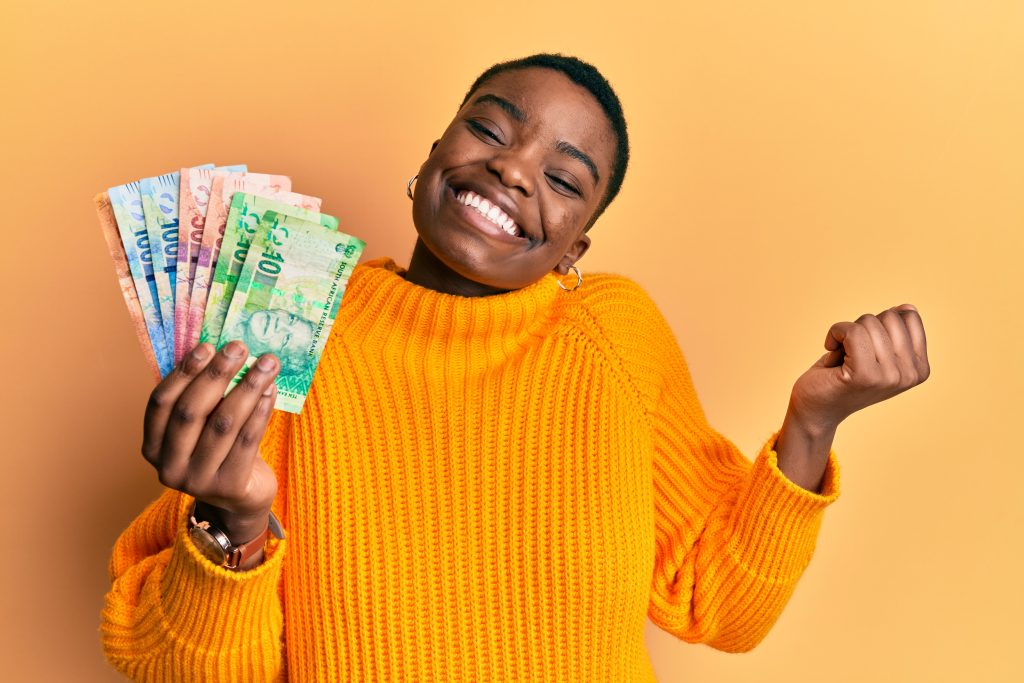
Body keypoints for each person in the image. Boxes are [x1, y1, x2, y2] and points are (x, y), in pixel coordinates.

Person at [99, 54, 930, 681]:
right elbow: (184, 668)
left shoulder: (610, 334)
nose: (512, 168)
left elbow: (722, 606)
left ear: (577, 244)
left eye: (564, 178)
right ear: (429, 159)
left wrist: (815, 421)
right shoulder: (286, 321)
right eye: (490, 130)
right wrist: (230, 524)